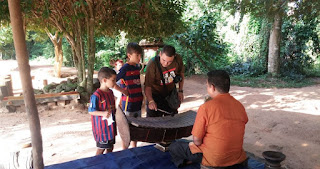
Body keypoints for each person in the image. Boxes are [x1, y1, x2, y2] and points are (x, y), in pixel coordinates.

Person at [169, 70, 248, 168]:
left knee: (174, 146)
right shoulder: (239, 106)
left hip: (214, 159)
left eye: (207, 85)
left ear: (213, 87)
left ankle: (187, 162)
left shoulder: (206, 107)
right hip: (237, 157)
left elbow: (197, 140)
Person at [116, 42, 143, 149]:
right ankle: (124, 151)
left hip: (138, 103)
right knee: (127, 129)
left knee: (137, 128)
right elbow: (113, 82)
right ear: (129, 56)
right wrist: (123, 90)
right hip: (128, 104)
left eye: (140, 55)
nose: (139, 57)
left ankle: (134, 149)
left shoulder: (137, 67)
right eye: (137, 55)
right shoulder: (125, 69)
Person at [144, 45, 184, 117]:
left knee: (172, 120)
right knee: (153, 123)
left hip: (170, 94)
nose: (165, 64)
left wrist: (180, 91)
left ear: (174, 57)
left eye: (169, 62)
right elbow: (148, 86)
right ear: (160, 54)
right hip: (155, 95)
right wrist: (150, 101)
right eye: (163, 60)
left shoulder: (178, 59)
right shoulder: (152, 64)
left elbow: (181, 75)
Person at [88, 67, 118, 155]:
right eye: (113, 80)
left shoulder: (111, 92)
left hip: (111, 127)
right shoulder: (96, 95)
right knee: (101, 149)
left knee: (110, 147)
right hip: (102, 130)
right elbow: (91, 111)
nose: (115, 82)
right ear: (104, 80)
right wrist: (102, 113)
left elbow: (113, 108)